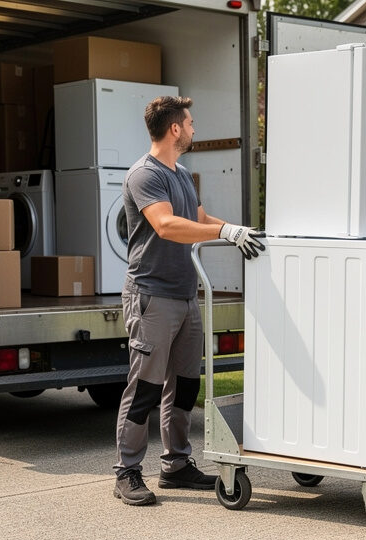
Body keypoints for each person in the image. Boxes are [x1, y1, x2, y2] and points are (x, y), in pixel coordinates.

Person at [113, 96, 266, 506]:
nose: (195, 129)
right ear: (175, 128)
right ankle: (126, 472)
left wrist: (237, 230)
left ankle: (176, 465)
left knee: (184, 387)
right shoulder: (144, 175)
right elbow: (165, 225)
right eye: (191, 123)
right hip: (151, 296)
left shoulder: (181, 173)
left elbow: (198, 219)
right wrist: (224, 234)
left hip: (184, 294)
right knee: (145, 388)